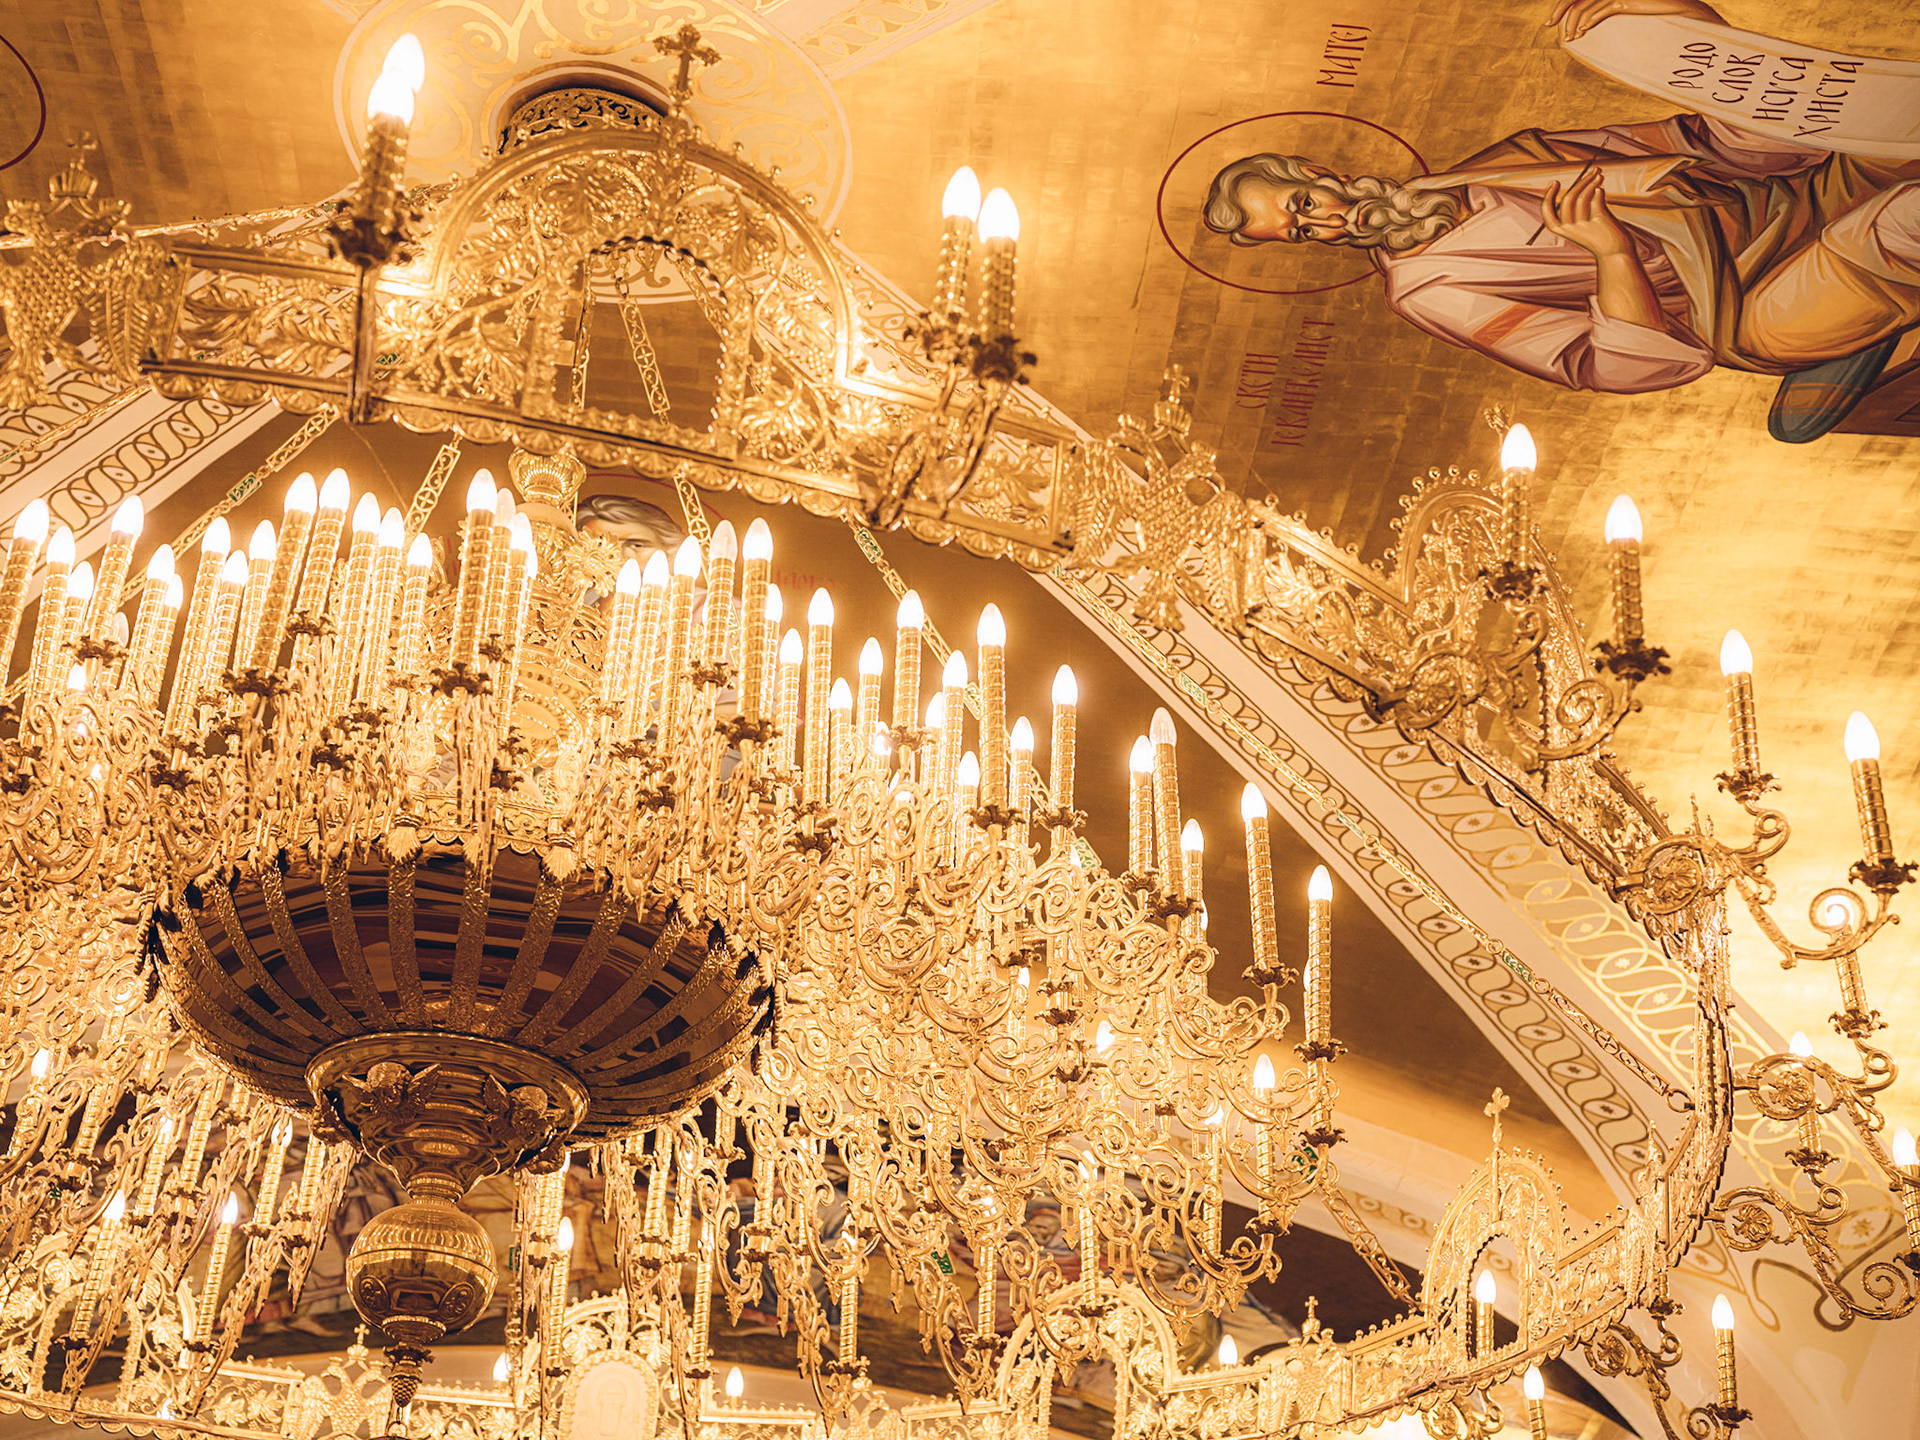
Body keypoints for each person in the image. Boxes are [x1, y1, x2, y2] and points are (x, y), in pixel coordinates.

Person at [1201, 0, 1920, 435]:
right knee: (1899, 224)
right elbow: (1608, 366)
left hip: (1797, 197)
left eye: (1303, 206)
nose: (1325, 227)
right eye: (1300, 235)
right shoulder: (1429, 289)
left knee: (1899, 121)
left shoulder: (1505, 163)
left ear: (1320, 175)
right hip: (1752, 308)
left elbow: (1709, 143)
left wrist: (1684, 36)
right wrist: (1611, 254)